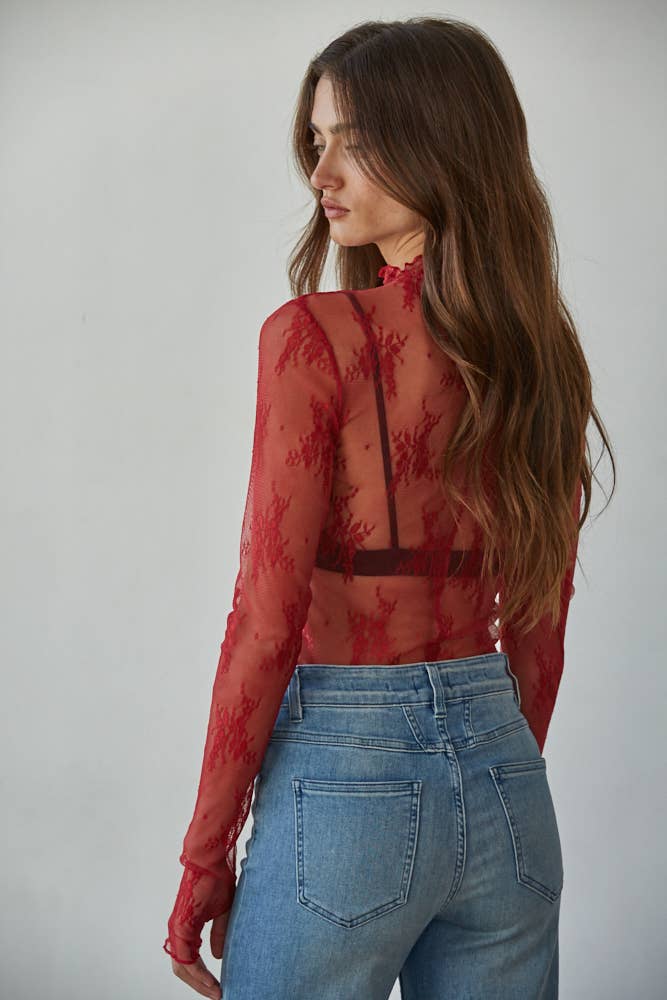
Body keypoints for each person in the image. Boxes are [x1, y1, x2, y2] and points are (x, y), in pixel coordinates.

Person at [164, 16, 615, 1000]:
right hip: (508, 788)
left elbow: (264, 621)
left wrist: (204, 857)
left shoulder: (311, 336)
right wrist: (481, 777)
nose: (320, 173)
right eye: (315, 141)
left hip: (346, 782)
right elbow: (539, 627)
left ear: (438, 144)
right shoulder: (539, 357)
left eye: (354, 141)